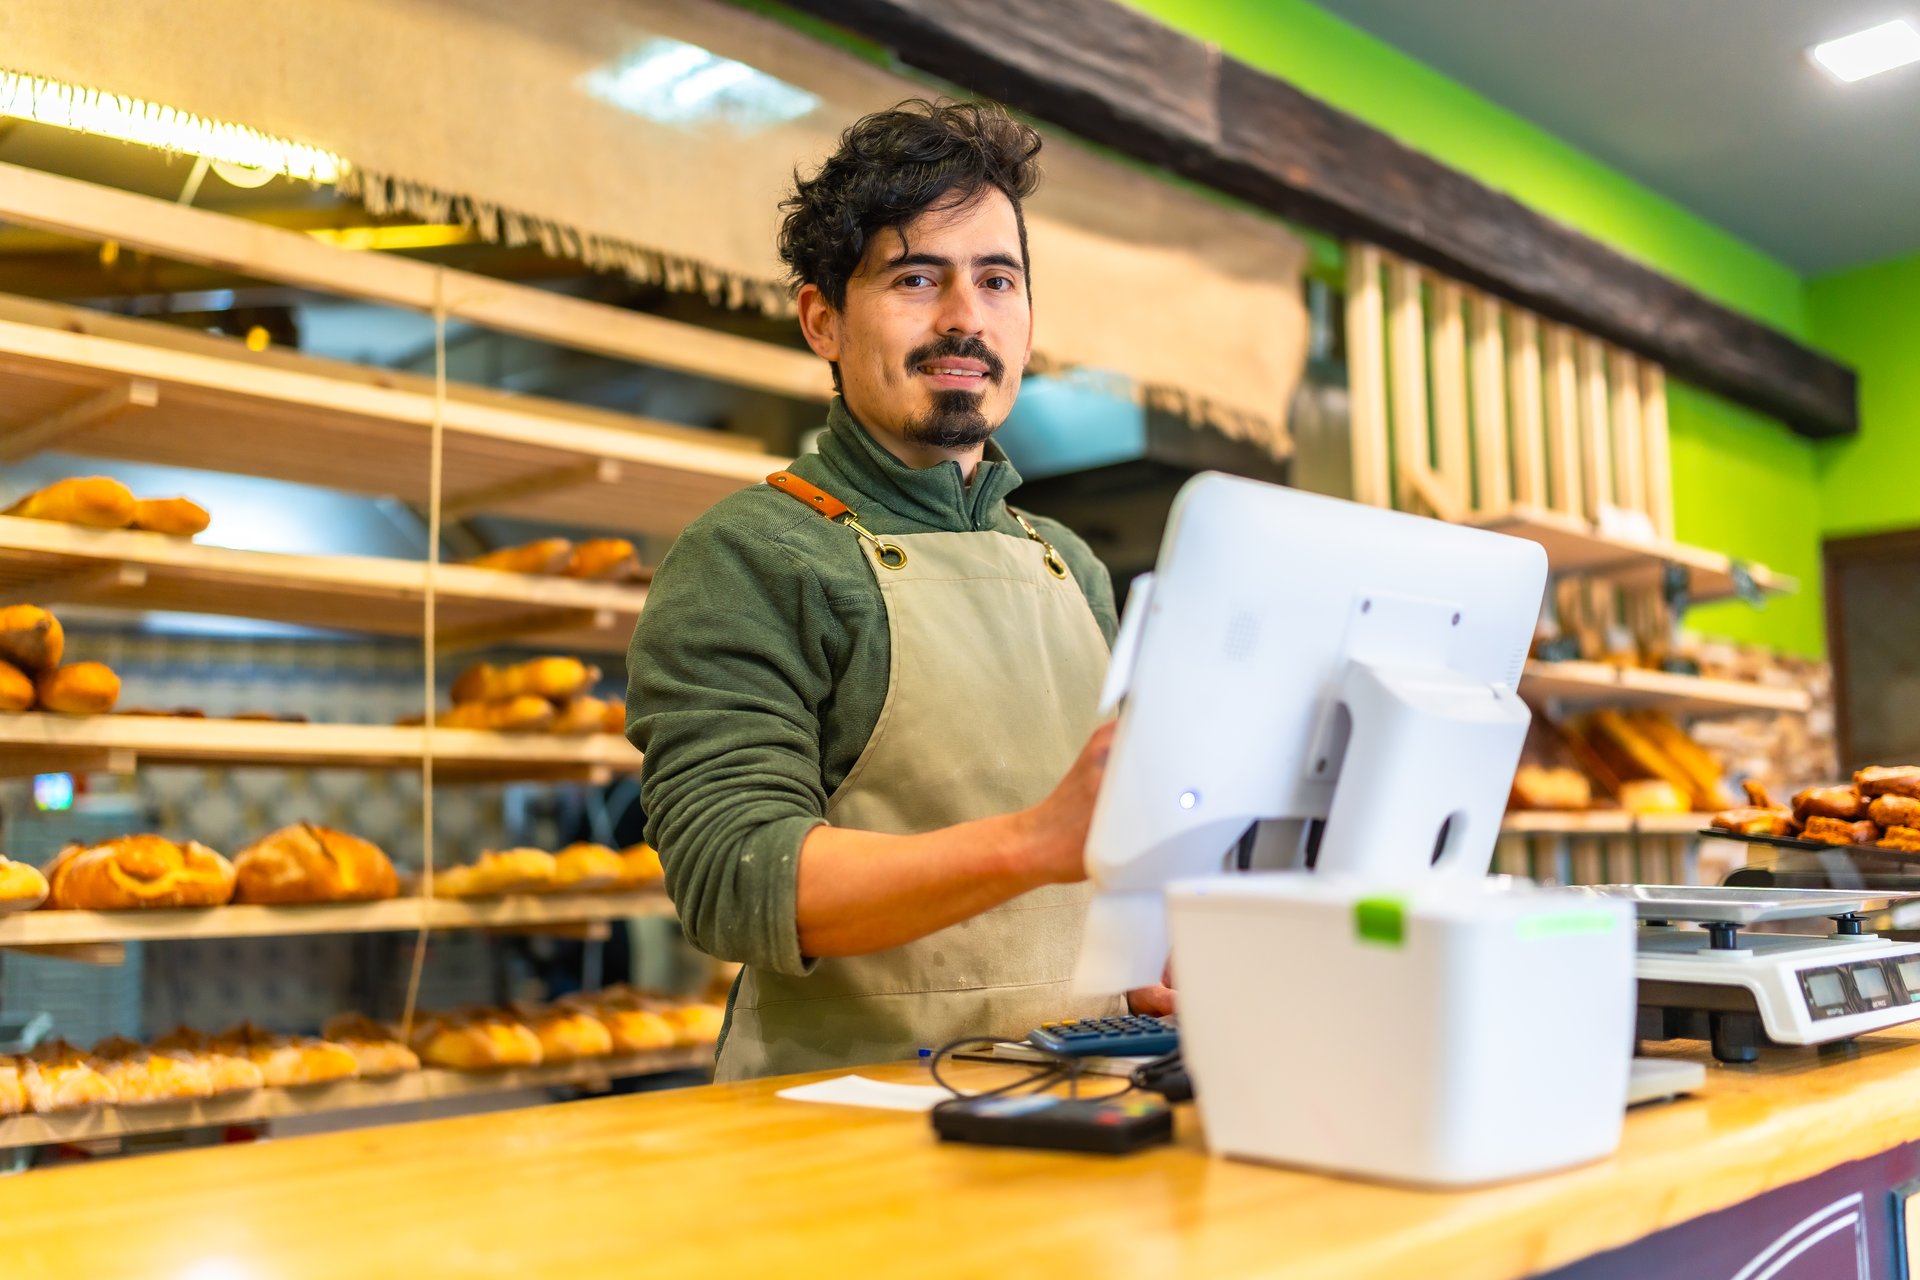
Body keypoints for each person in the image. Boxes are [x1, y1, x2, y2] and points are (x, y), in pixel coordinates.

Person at [626, 98, 1171, 1082]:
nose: (965, 315)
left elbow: (1091, 868)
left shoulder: (1070, 566)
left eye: (996, 279)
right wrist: (1035, 844)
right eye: (917, 276)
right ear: (822, 318)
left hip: (1082, 1094)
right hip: (841, 1126)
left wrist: (1130, 969)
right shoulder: (754, 555)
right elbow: (734, 877)